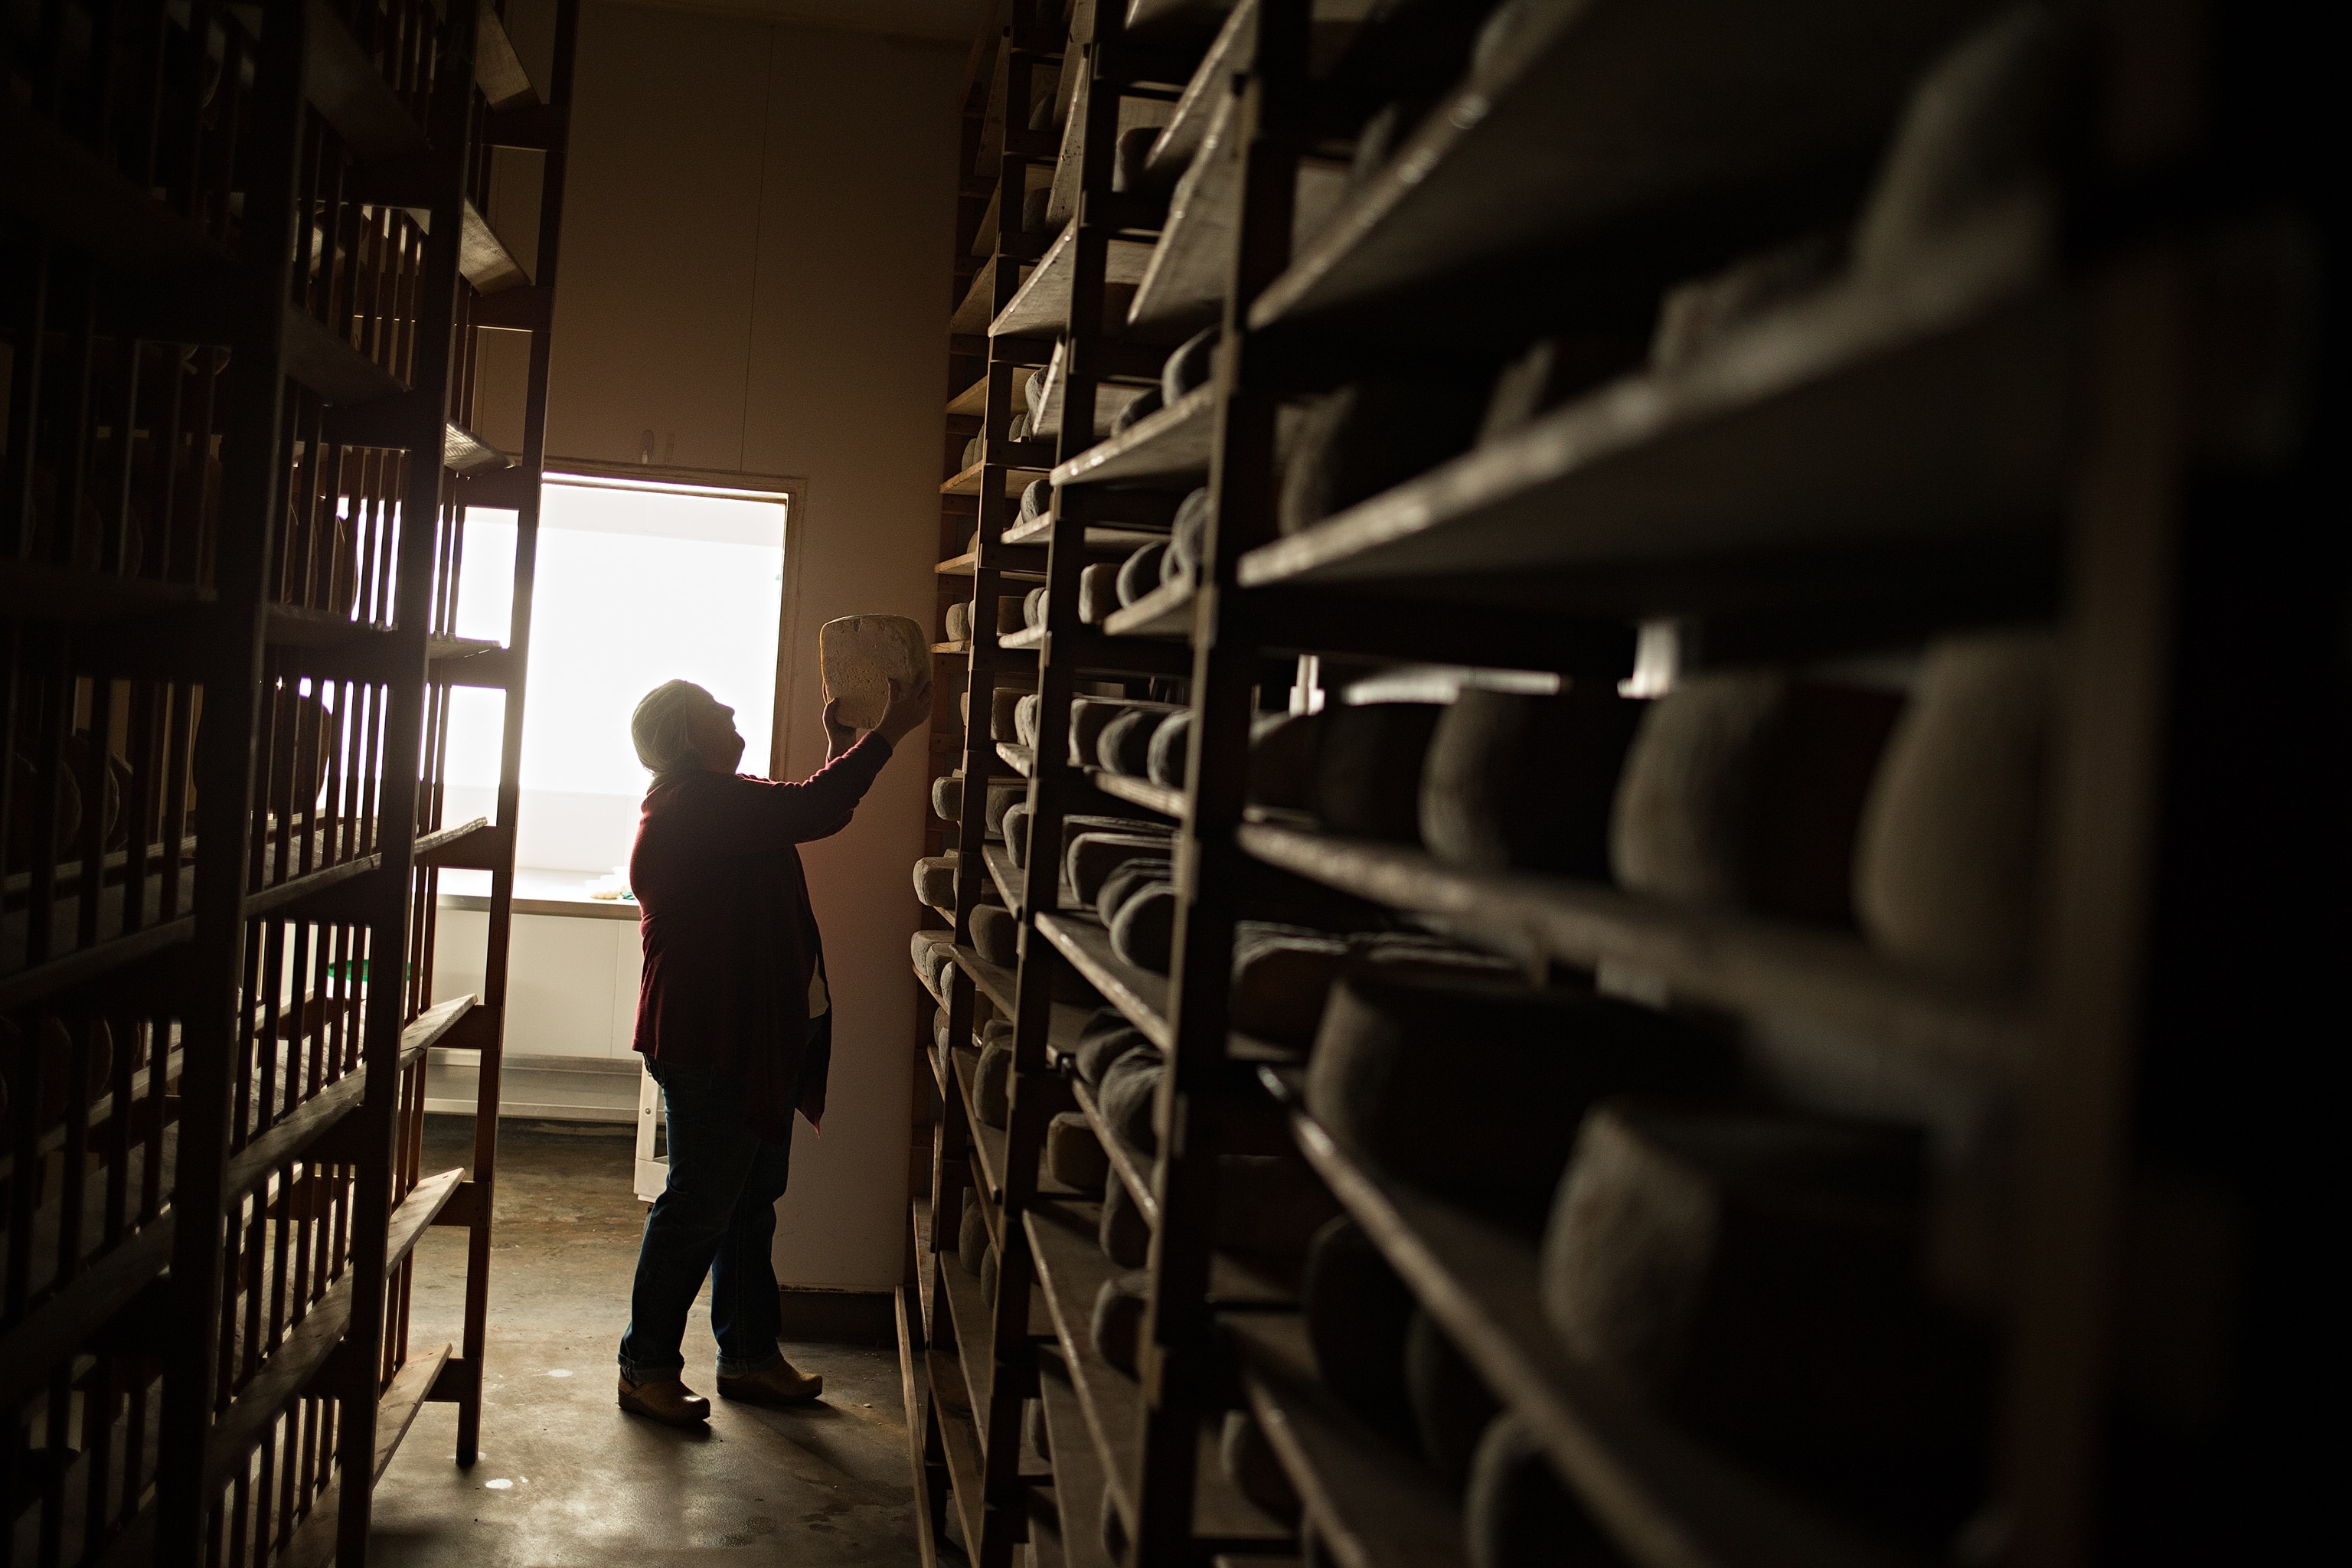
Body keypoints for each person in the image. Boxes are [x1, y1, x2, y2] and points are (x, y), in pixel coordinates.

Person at [616, 672, 930, 1426]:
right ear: (690, 737)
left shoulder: (712, 797)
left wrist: (841, 748)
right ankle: (646, 1366)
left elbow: (796, 805)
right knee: (699, 1205)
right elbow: (810, 807)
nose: (731, 711)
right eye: (714, 708)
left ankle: (751, 1356)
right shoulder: (697, 802)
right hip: (715, 1036)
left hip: (749, 1033)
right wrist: (891, 731)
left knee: (748, 1204)